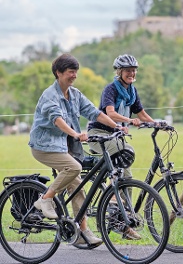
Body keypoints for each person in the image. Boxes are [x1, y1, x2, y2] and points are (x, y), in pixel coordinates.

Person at [28, 53, 125, 246]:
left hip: (62, 147)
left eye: (76, 72)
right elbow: (57, 119)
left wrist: (116, 126)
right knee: (74, 168)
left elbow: (94, 112)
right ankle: (45, 199)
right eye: (71, 72)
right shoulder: (50, 96)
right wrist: (75, 133)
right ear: (58, 73)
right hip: (43, 146)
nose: (74, 75)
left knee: (77, 185)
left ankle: (82, 232)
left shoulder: (74, 94)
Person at [87, 54, 155, 240]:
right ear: (119, 72)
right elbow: (110, 113)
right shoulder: (111, 89)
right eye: (127, 70)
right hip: (99, 135)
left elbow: (141, 113)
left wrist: (157, 124)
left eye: (133, 70)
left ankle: (124, 221)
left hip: (116, 135)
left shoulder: (132, 91)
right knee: (122, 164)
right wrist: (128, 121)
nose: (131, 73)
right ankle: (114, 202)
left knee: (128, 177)